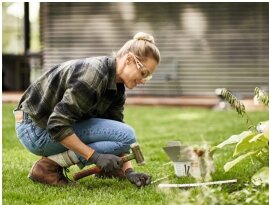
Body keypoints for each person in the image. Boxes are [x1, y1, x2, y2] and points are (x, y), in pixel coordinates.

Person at [14, 32, 161, 187]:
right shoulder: (94, 75)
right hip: (34, 130)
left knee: (124, 136)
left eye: (147, 76)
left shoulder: (117, 88)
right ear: (129, 59)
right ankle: (47, 168)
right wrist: (95, 157)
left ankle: (108, 169)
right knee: (128, 135)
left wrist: (129, 171)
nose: (143, 80)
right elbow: (57, 124)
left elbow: (115, 131)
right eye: (143, 72)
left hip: (46, 127)